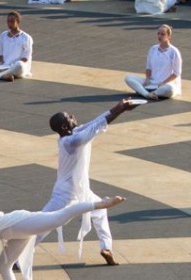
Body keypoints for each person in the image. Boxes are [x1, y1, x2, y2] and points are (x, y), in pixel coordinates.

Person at [40, 99, 137, 267]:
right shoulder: (71, 142)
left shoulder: (74, 133)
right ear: (64, 127)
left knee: (100, 212)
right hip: (66, 194)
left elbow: (95, 122)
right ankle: (19, 256)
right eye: (69, 117)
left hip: (81, 190)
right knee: (44, 223)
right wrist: (121, 110)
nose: (73, 116)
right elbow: (95, 127)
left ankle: (106, 248)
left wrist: (119, 107)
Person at [124, 24, 182, 101]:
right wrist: (147, 78)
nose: (160, 36)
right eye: (158, 33)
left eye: (163, 34)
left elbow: (176, 73)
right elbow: (148, 68)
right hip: (152, 83)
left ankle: (152, 93)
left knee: (170, 89)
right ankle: (147, 94)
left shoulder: (174, 51)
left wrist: (164, 83)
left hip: (166, 84)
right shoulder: (153, 49)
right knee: (128, 78)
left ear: (169, 36)